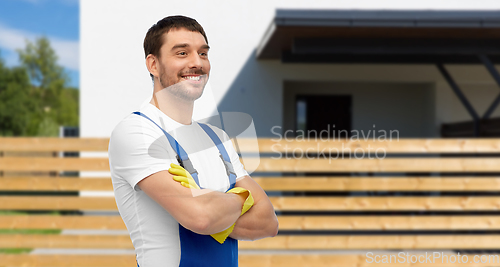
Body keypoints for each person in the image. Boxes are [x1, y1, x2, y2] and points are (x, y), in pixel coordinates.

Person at [108, 15, 279, 267]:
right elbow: (200, 217)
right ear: (153, 65)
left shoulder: (217, 138)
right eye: (182, 53)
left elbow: (268, 222)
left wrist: (205, 199)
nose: (196, 63)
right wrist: (242, 197)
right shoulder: (137, 131)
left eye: (203, 53)